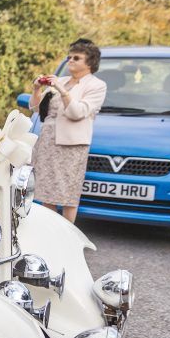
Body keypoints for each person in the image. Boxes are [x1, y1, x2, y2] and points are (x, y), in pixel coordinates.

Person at [30, 38, 108, 223]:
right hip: (48, 141)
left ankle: (67, 234)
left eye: (76, 58)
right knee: (47, 192)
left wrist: (62, 90)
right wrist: (36, 89)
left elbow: (77, 112)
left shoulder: (96, 85)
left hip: (71, 145)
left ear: (90, 63)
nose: (70, 60)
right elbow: (36, 109)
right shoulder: (61, 80)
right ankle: (49, 229)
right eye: (69, 57)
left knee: (67, 194)